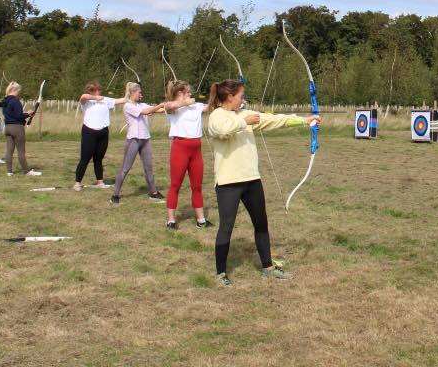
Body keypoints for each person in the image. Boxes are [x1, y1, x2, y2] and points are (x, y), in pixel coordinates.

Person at [205, 78, 319, 285]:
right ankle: (221, 272)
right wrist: (244, 122)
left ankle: (268, 267)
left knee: (261, 223)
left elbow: (273, 120)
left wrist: (304, 120)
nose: (243, 99)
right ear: (230, 97)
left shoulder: (244, 115)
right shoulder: (216, 116)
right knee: (226, 227)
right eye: (240, 96)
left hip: (252, 180)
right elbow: (222, 130)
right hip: (228, 182)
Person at [162, 79, 212, 230]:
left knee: (197, 186)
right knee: (175, 185)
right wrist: (186, 102)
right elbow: (170, 105)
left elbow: (210, 107)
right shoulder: (172, 107)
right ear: (179, 93)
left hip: (196, 149)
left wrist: (218, 93)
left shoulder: (196, 106)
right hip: (180, 148)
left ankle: (201, 220)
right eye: (187, 91)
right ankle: (171, 220)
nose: (191, 94)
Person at [110, 82, 165, 204]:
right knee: (125, 168)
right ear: (132, 92)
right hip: (133, 140)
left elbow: (158, 110)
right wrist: (161, 104)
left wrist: (169, 105)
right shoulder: (128, 106)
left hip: (145, 139)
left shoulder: (143, 105)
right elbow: (145, 112)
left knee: (148, 168)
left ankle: (153, 192)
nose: (141, 94)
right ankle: (115, 195)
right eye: (139, 92)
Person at [74, 81, 126, 191]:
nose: (98, 91)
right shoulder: (86, 102)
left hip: (103, 132)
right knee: (85, 158)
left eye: (98, 89)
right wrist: (95, 98)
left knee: (98, 158)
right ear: (90, 91)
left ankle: (100, 182)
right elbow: (83, 96)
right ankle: (77, 183)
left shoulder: (105, 100)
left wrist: (128, 95)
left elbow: (119, 101)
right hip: (89, 132)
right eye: (95, 90)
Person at [1, 81, 42, 177]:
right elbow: (19, 116)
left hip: (7, 127)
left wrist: (26, 114)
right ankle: (26, 171)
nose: (19, 93)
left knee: (9, 150)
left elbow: (12, 114)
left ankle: (9, 171)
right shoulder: (15, 101)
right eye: (18, 91)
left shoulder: (5, 101)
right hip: (17, 128)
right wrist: (28, 114)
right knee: (21, 151)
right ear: (15, 90)